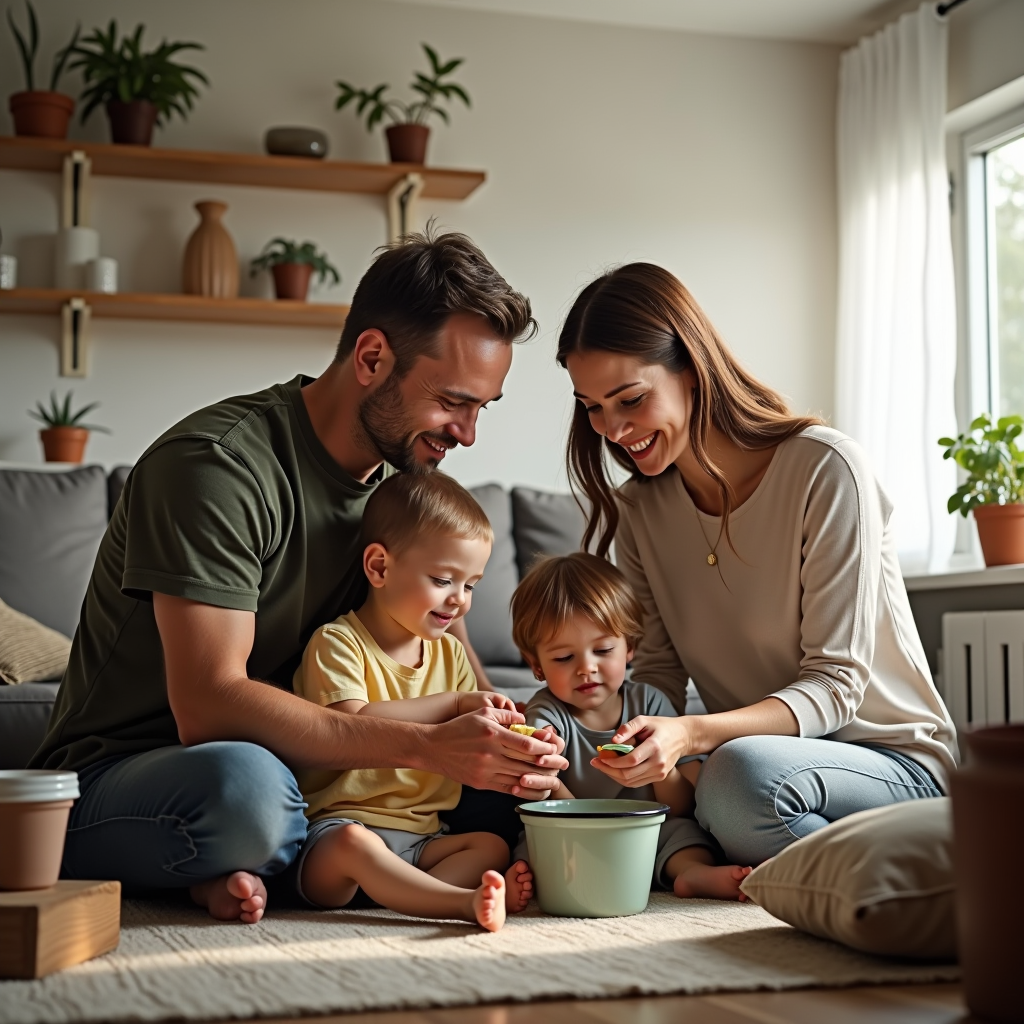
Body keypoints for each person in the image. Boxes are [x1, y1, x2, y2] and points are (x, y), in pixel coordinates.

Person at [31, 230, 566, 924]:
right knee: (249, 795)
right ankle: (239, 854)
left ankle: (238, 870)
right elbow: (210, 707)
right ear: (372, 357)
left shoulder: (406, 491)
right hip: (140, 769)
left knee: (515, 793)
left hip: (317, 775)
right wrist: (429, 743)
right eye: (453, 401)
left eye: (480, 409)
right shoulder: (217, 467)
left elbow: (457, 668)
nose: (467, 434)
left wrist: (513, 741)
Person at [556, 262, 957, 866]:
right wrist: (596, 739)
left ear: (691, 371)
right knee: (701, 795)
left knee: (735, 780)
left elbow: (836, 688)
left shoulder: (826, 469)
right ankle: (845, 868)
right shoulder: (639, 508)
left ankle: (928, 862)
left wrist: (693, 735)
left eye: (631, 399)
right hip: (759, 767)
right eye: (591, 407)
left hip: (890, 763)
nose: (612, 429)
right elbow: (659, 676)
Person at [292, 473, 535, 930]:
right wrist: (455, 704)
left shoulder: (451, 654)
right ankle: (456, 904)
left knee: (490, 846)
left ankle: (414, 893)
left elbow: (477, 735)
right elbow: (350, 723)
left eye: (471, 585)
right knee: (351, 845)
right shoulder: (338, 643)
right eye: (444, 579)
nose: (460, 600)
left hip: (423, 840)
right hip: (340, 837)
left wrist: (522, 737)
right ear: (380, 568)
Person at [509, 552, 752, 900]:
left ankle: (690, 875)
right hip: (571, 831)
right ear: (536, 665)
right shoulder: (546, 713)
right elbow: (545, 795)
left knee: (684, 834)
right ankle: (537, 882)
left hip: (644, 830)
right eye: (564, 658)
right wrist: (549, 781)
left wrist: (660, 770)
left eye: (603, 650)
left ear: (630, 647)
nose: (586, 668)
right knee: (532, 845)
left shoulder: (650, 706)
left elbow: (683, 804)